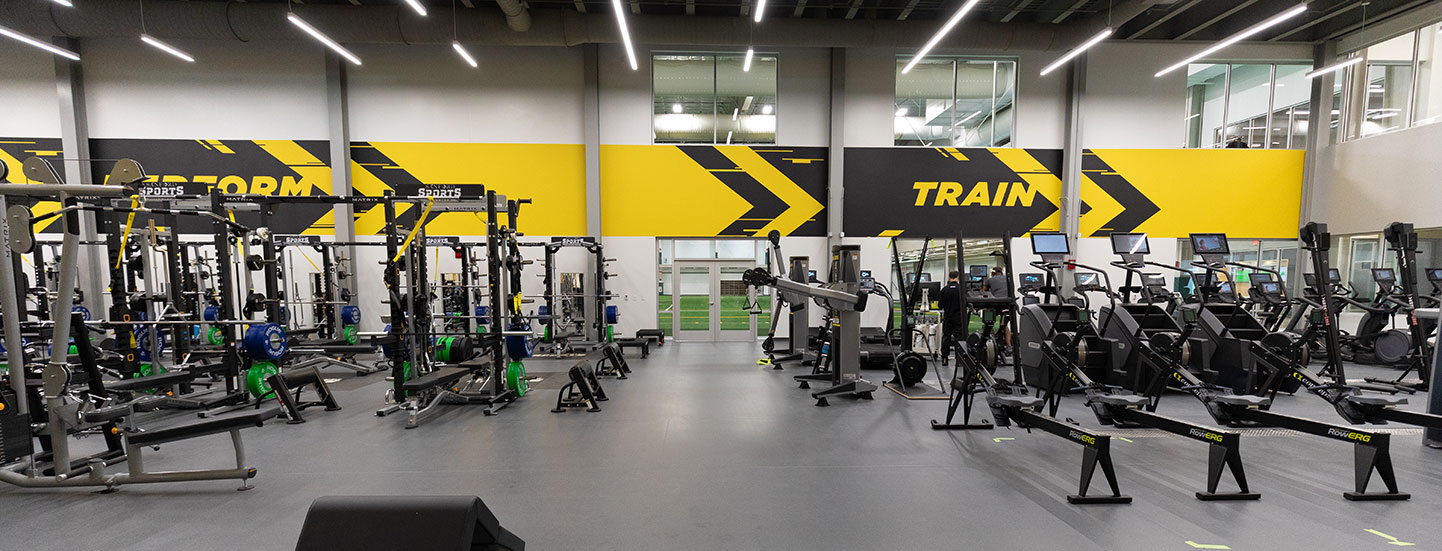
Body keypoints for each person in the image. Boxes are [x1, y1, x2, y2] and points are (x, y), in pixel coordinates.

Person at [937, 271, 963, 366]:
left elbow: (940, 305)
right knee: (959, 338)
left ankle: (945, 358)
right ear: (958, 277)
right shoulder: (961, 289)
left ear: (949, 277)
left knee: (946, 337)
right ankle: (959, 360)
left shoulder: (944, 290)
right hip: (958, 317)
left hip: (948, 317)